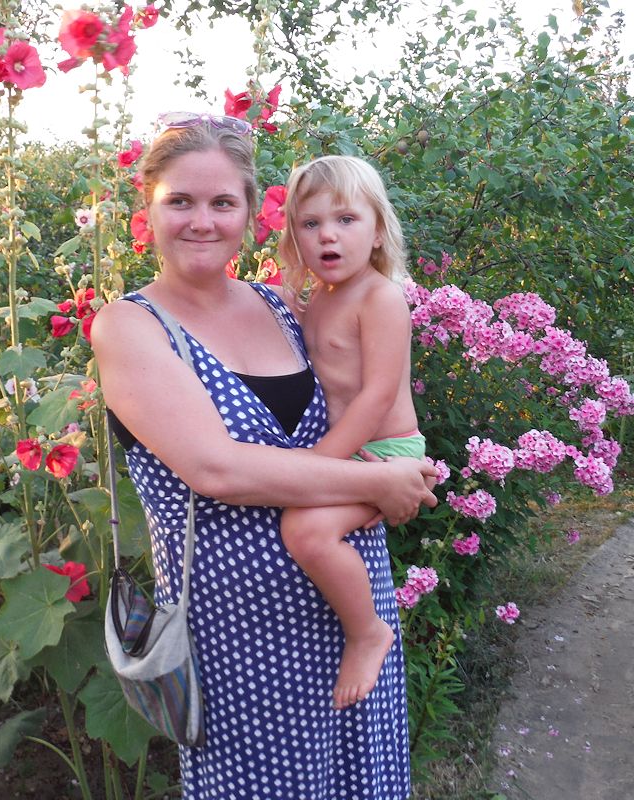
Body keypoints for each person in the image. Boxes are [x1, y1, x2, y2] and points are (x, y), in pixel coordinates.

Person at [91, 112, 438, 800]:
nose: (202, 221)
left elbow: (374, 393)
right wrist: (379, 482)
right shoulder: (130, 326)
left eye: (223, 202)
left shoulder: (285, 306)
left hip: (349, 610)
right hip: (239, 639)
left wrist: (399, 464)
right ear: (148, 210)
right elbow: (216, 469)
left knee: (363, 780)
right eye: (180, 201)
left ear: (251, 215)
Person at [278, 155, 425, 711]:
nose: (328, 235)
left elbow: (377, 396)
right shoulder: (320, 298)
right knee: (304, 527)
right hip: (352, 452)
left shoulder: (380, 297)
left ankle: (368, 633)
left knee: (305, 530)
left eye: (345, 220)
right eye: (311, 223)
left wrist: (316, 466)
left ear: (378, 231)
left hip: (385, 452)